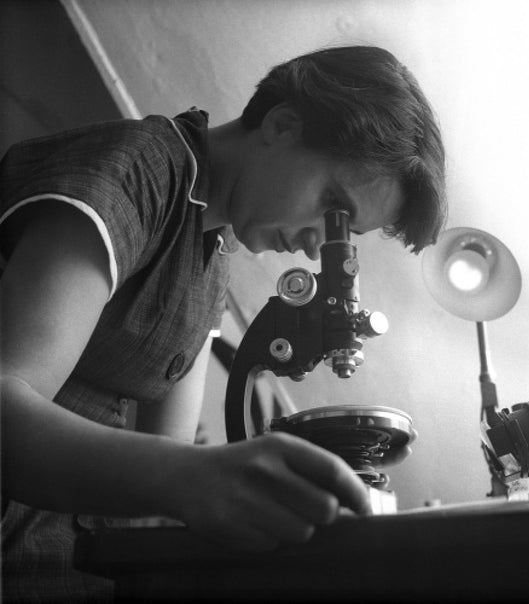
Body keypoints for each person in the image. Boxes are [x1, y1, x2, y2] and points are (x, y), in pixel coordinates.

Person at [0, 45, 446, 601]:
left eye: (344, 233)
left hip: (76, 572)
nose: (317, 246)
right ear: (282, 125)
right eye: (332, 206)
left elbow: (169, 457)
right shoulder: (135, 171)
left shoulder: (213, 252)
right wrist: (195, 478)